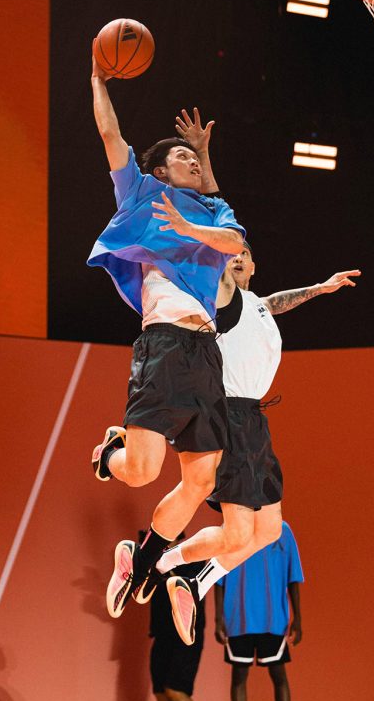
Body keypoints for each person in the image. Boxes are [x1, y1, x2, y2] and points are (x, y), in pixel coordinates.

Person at [88, 56, 245, 618]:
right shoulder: (141, 194)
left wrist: (192, 221)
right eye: (181, 156)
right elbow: (112, 136)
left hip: (205, 352)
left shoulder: (214, 211)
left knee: (201, 480)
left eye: (194, 157)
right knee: (142, 472)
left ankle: (145, 560)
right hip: (164, 344)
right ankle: (113, 451)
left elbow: (234, 245)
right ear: (158, 170)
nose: (191, 160)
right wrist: (98, 79)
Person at [143, 244, 359, 645]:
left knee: (269, 531)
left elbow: (274, 302)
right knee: (239, 532)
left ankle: (193, 581)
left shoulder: (256, 305)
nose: (238, 258)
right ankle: (164, 562)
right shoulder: (218, 301)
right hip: (227, 415)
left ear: (255, 265)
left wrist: (320, 288)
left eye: (245, 253)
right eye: (232, 254)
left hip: (255, 420)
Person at [214, 521, 304, 701]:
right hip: (237, 616)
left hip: (273, 617)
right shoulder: (230, 526)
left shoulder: (282, 529)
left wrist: (298, 618)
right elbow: (218, 575)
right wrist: (218, 617)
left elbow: (293, 575)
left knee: (279, 676)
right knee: (238, 678)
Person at [147, 531, 216, 701]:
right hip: (161, 633)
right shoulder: (154, 560)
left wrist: (164, 564)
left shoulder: (192, 557)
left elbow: (188, 588)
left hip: (187, 633)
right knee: (160, 689)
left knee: (175, 688)